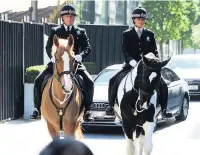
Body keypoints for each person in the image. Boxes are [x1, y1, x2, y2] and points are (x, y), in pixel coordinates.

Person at [105, 6, 172, 119]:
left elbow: (154, 51)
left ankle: (165, 109)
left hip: (148, 66)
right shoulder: (127, 33)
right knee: (113, 80)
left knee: (163, 84)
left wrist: (154, 62)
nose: (141, 21)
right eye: (138, 19)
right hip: (131, 64)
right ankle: (111, 106)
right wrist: (130, 60)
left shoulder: (150, 34)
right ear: (134, 20)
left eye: (143, 19)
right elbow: (125, 50)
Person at [30, 4, 94, 121]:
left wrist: (80, 55)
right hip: (57, 62)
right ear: (62, 18)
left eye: (72, 16)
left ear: (74, 18)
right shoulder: (55, 30)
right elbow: (49, 46)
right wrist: (52, 57)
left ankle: (88, 110)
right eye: (67, 16)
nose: (69, 18)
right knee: (38, 80)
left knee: (89, 81)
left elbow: (87, 48)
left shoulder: (81, 31)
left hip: (73, 63)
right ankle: (37, 109)